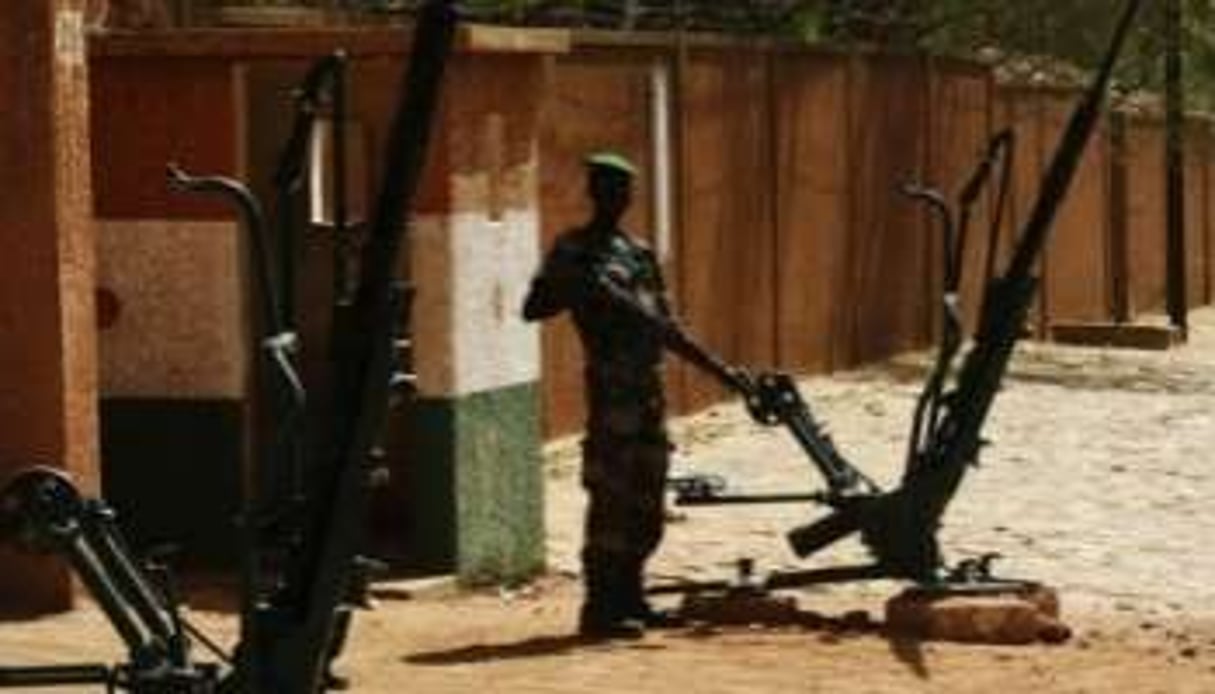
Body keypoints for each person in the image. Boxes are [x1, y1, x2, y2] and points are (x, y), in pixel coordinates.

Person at [523, 151, 679, 639]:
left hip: (648, 392)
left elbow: (665, 322)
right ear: (595, 193)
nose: (619, 199)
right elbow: (535, 307)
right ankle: (602, 607)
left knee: (647, 503)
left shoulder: (639, 254)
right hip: (611, 394)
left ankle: (633, 596)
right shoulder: (573, 251)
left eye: (625, 191)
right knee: (611, 501)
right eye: (609, 189)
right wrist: (576, 285)